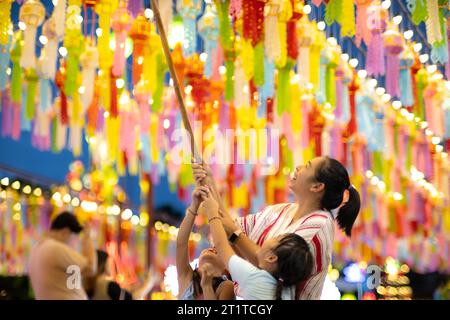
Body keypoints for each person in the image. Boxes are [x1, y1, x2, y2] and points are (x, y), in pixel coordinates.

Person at [192, 156, 361, 299]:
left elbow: (270, 263)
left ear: (317, 187)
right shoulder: (282, 209)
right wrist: (209, 182)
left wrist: (233, 233)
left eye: (307, 166)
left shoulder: (319, 224)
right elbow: (229, 227)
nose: (298, 167)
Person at [198, 191, 313, 300]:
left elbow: (220, 244)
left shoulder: (256, 278)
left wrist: (212, 212)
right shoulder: (285, 290)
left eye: (276, 238)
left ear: (271, 258)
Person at [176, 186, 235, 300]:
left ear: (226, 268)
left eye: (218, 251)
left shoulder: (227, 287)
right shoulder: (187, 277)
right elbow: (181, 243)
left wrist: (207, 286)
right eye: (211, 248)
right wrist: (194, 206)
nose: (212, 249)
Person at [29, 211, 97, 300]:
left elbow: (82, 271)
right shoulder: (56, 248)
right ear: (65, 232)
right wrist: (87, 237)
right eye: (74, 238)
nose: (75, 243)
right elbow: (90, 268)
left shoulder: (38, 248)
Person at [85, 250, 159, 300]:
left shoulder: (93, 283)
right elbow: (132, 298)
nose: (112, 266)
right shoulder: (108, 285)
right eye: (109, 263)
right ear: (103, 265)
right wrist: (148, 284)